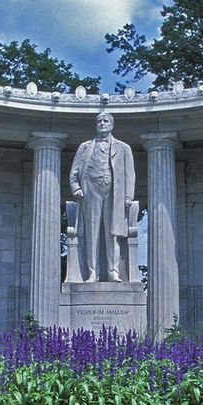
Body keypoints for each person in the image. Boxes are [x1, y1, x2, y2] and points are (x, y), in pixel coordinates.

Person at [69, 111, 135, 282]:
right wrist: (76, 189)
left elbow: (130, 174)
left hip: (115, 193)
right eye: (99, 121)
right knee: (92, 234)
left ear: (112, 125)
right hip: (91, 192)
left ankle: (113, 272)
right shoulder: (84, 147)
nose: (102, 124)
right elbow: (74, 172)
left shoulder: (123, 148)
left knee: (113, 233)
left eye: (106, 121)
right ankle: (93, 273)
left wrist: (128, 197)